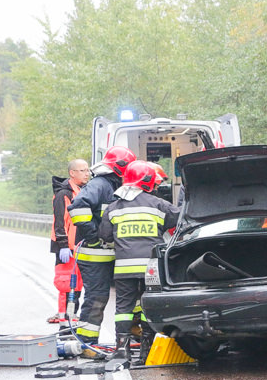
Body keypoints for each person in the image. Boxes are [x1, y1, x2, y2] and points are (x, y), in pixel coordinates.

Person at [99, 160, 180, 364]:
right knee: (148, 306)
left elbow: (106, 236)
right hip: (150, 267)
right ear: (149, 182)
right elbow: (178, 221)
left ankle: (122, 349)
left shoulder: (113, 208)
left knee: (123, 308)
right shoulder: (159, 204)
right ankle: (147, 349)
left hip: (124, 268)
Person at [67, 146, 136, 351]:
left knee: (129, 294)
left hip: (113, 253)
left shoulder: (118, 186)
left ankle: (132, 336)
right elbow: (77, 207)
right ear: (120, 167)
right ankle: (87, 344)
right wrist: (93, 237)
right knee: (97, 298)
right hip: (95, 254)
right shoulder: (100, 184)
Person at [48, 158, 90, 323]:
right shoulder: (63, 194)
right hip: (66, 248)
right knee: (66, 285)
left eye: (87, 170)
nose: (87, 173)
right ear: (72, 173)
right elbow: (59, 222)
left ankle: (71, 317)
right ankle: (64, 320)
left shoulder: (80, 190)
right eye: (82, 170)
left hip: (77, 247)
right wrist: (63, 245)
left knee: (76, 285)